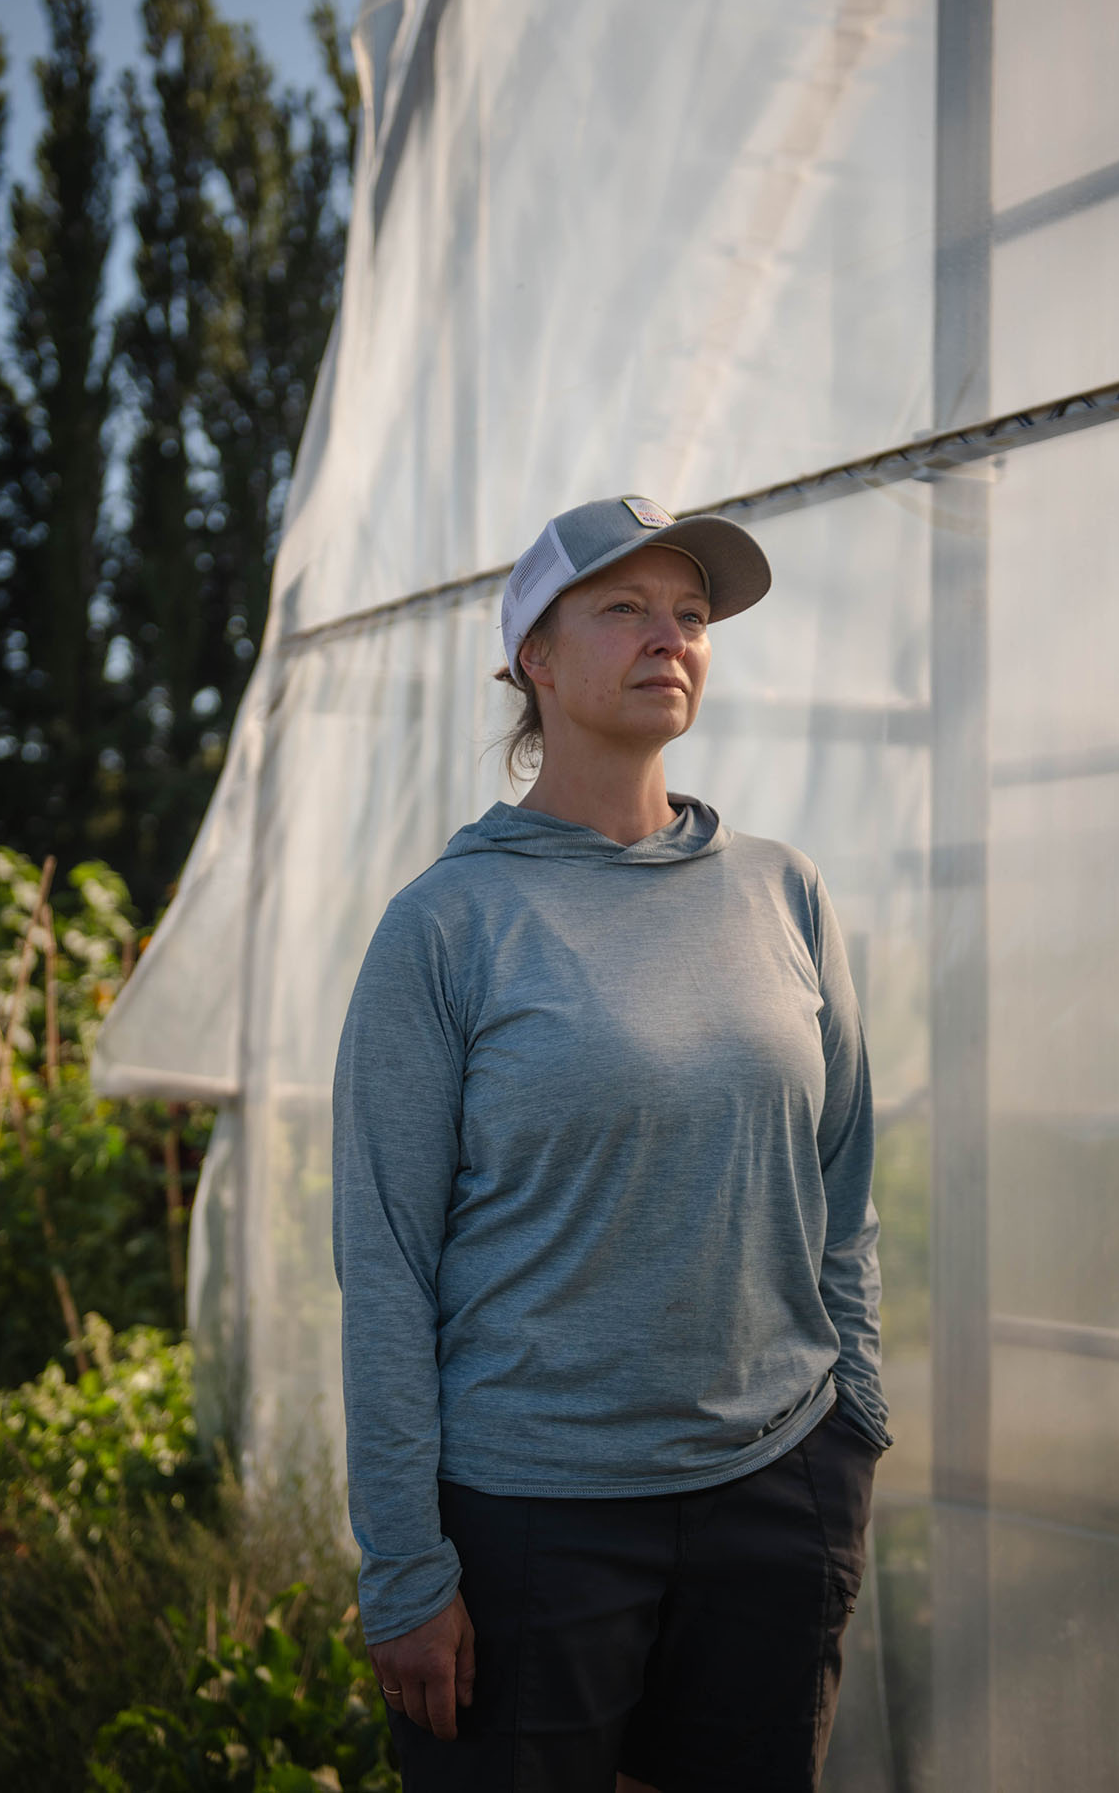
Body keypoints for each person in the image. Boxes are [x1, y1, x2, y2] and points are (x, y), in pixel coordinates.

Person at [332, 494, 890, 1793]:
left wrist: (849, 1428)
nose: (671, 638)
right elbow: (386, 1261)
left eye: (691, 615)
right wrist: (408, 1564)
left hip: (775, 1493)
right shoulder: (450, 926)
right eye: (625, 609)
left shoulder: (783, 891)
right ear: (535, 654)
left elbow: (842, 1184)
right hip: (532, 1525)